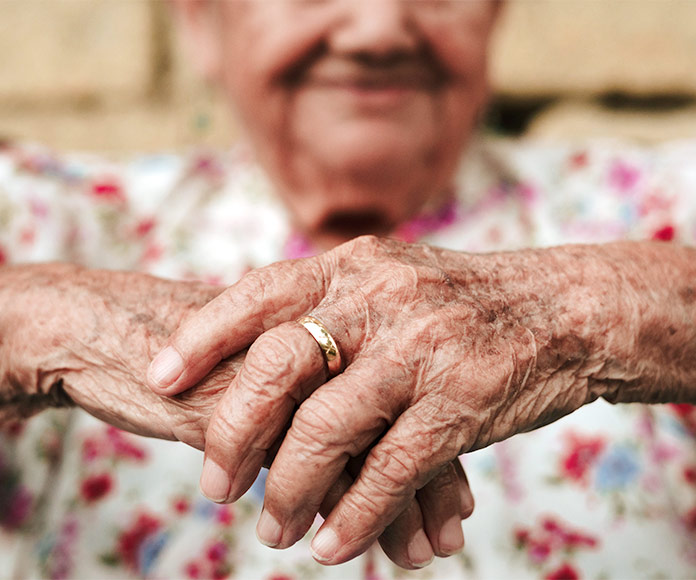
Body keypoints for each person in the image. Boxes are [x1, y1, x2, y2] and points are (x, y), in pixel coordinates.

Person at [1, 1, 695, 578]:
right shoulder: (66, 223)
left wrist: (577, 309)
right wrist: (31, 319)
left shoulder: (651, 211)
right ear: (199, 23)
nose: (377, 30)